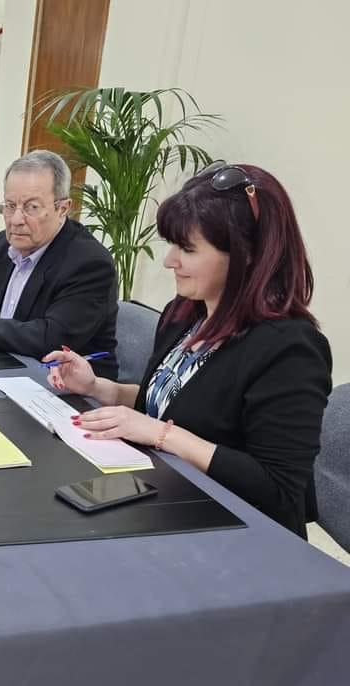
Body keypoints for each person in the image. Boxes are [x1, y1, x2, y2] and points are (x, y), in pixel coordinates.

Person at [45, 162, 331, 538]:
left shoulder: (290, 350)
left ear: (246, 255)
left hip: (241, 534)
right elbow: (164, 404)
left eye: (188, 249)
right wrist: (99, 388)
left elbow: (278, 493)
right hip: (170, 500)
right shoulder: (185, 314)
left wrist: (162, 436)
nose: (169, 261)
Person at [0, 150, 119, 378]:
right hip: (0, 367)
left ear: (62, 209)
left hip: (66, 387)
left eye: (32, 207)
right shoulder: (3, 244)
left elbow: (50, 339)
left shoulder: (89, 263)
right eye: (10, 206)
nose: (16, 220)